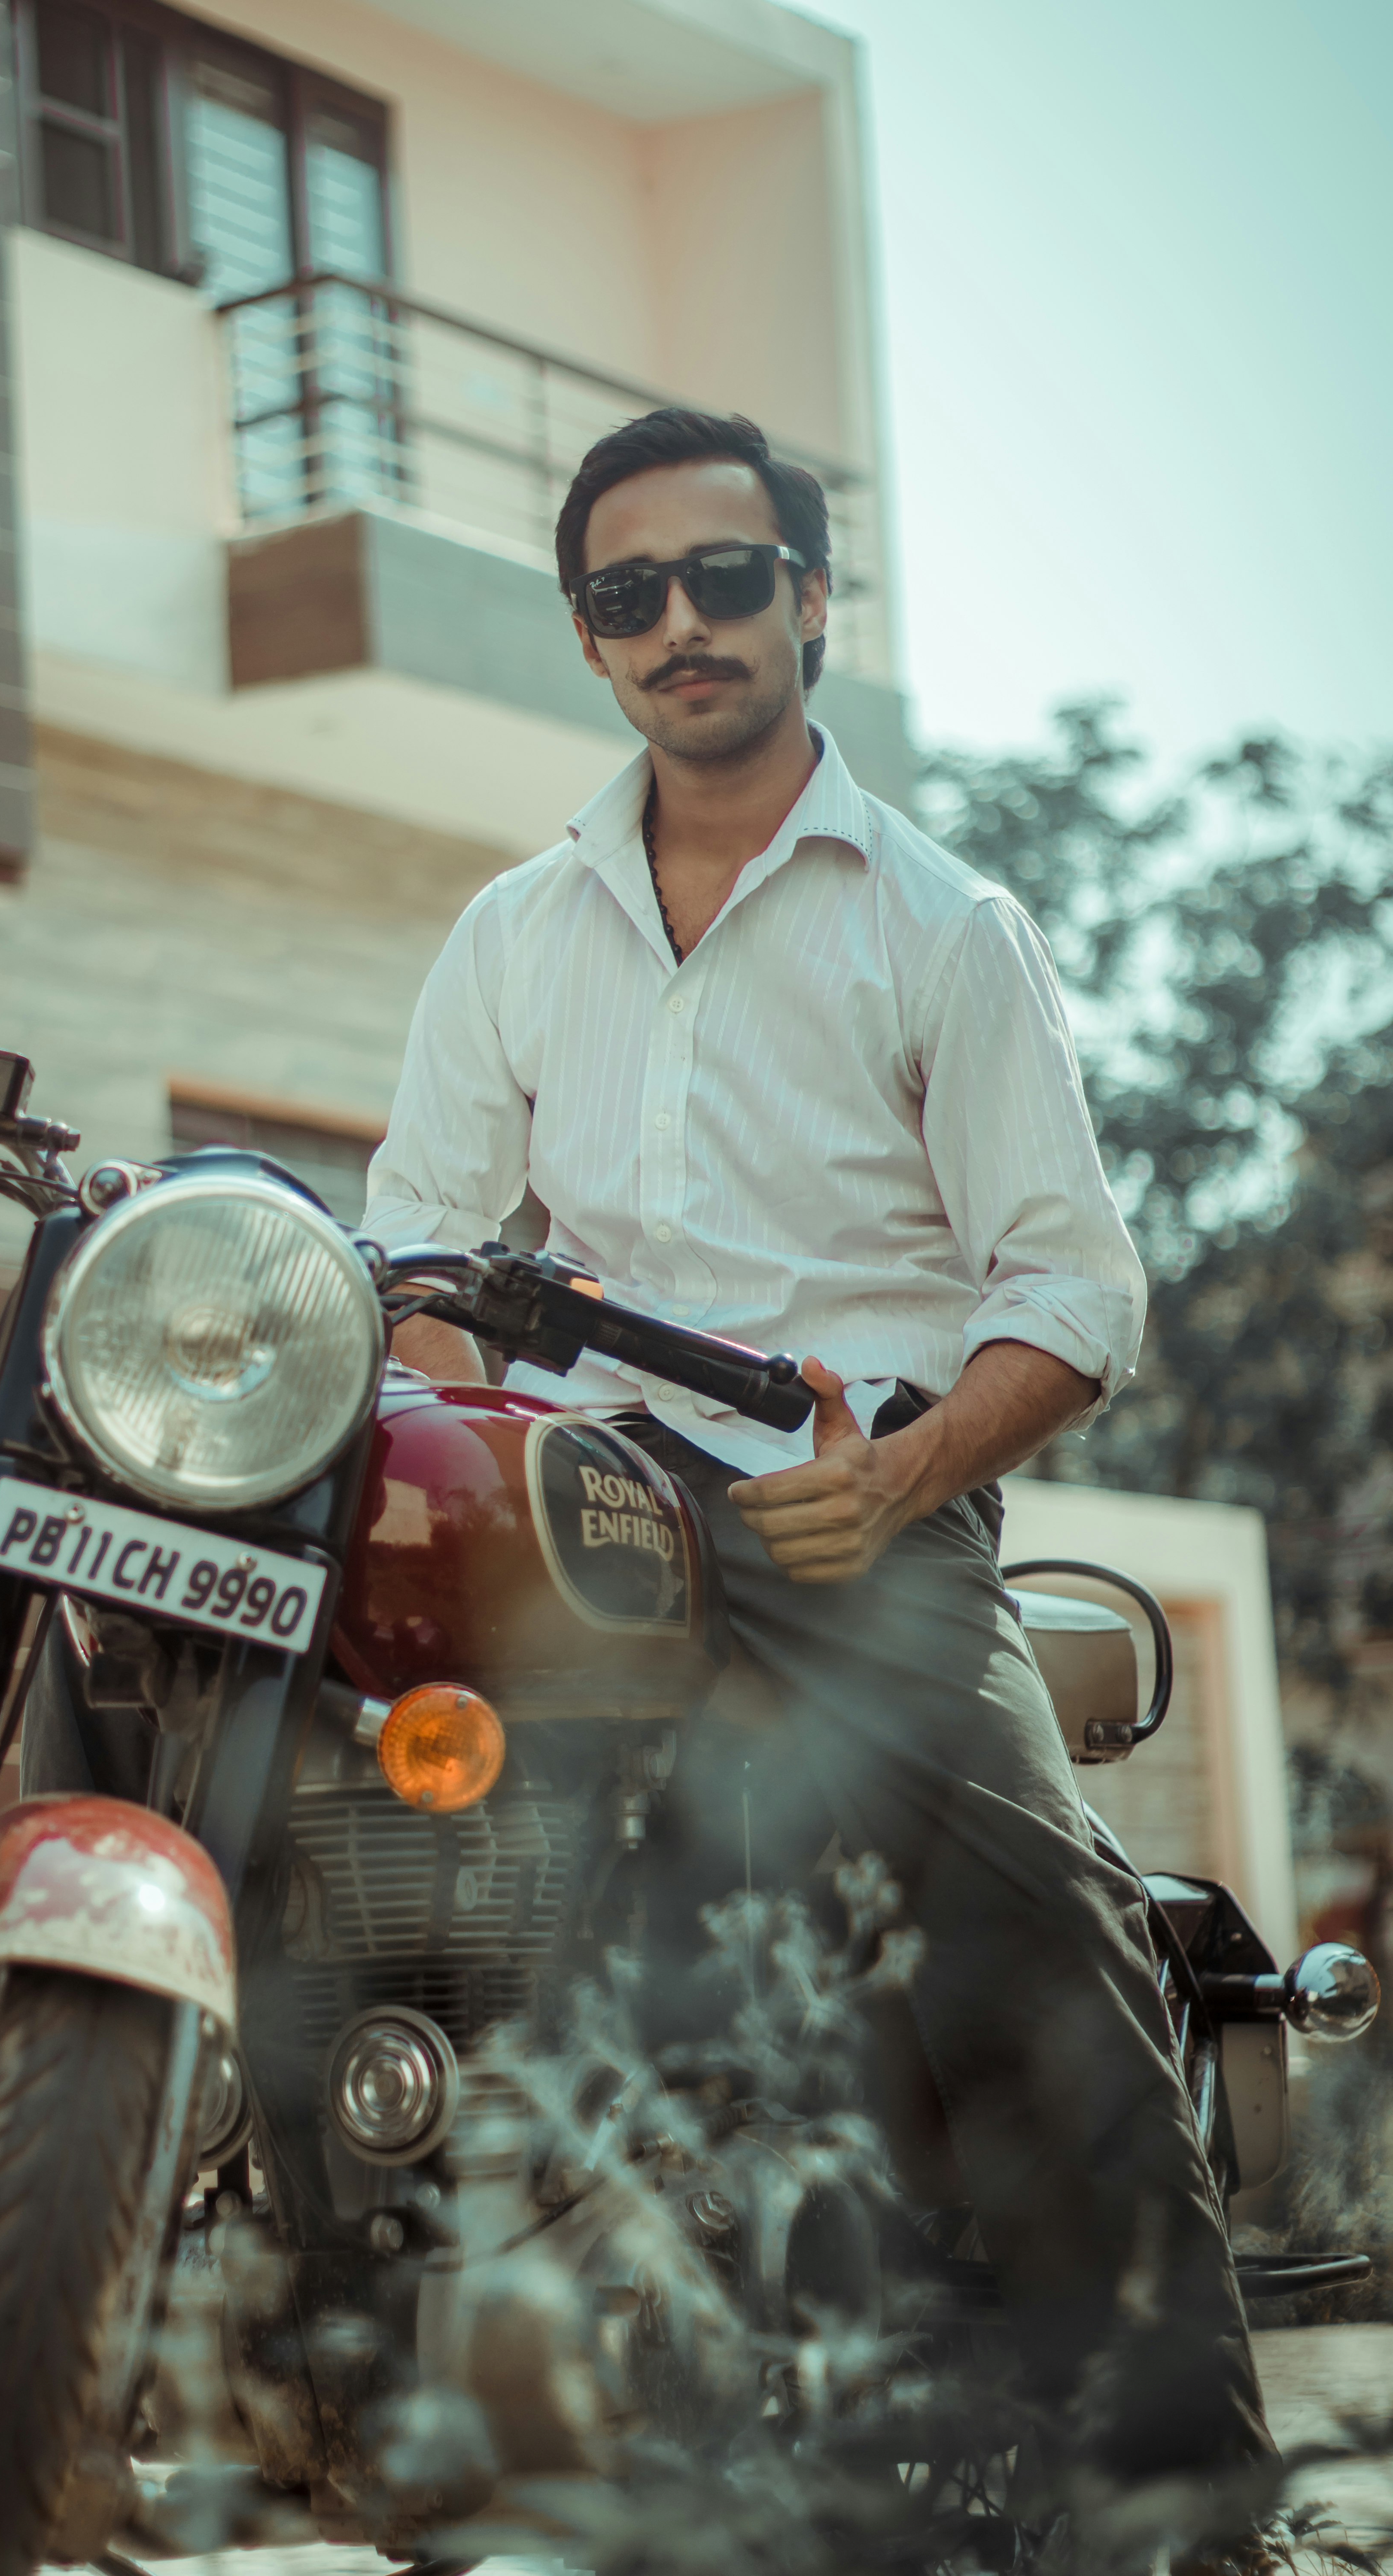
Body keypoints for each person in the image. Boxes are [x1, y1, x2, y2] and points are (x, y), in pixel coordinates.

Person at [360, 406, 1273, 2488]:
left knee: (1041, 1929)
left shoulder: (942, 925)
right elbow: (420, 1236)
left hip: (853, 1512)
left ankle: (1183, 2499)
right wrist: (423, 1371)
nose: (679, 623)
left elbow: (1074, 1296)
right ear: (588, 638)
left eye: (723, 578)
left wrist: (905, 1472)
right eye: (627, 594)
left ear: (807, 603)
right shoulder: (513, 931)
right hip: (571, 1492)